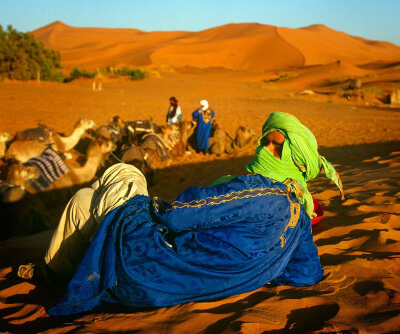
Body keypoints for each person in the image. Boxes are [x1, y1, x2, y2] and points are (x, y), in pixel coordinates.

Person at [16, 111, 344, 316]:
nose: (263, 149)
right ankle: (58, 271)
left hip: (146, 267)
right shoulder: (300, 214)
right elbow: (306, 275)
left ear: (296, 159)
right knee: (84, 199)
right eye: (264, 141)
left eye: (275, 146)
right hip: (183, 282)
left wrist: (156, 204)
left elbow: (177, 215)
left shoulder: (256, 191)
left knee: (126, 174)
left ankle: (56, 272)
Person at [17, 163, 148, 281]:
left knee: (82, 198)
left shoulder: (87, 198)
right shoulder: (151, 208)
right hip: (146, 271)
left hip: (105, 271)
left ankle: (56, 269)